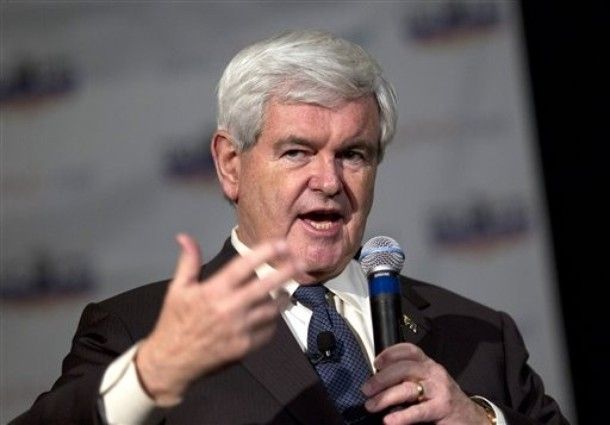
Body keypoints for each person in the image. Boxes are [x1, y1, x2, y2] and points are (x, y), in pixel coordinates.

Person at [11, 30, 568, 425]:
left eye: (354, 154)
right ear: (231, 164)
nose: (328, 180)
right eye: (298, 151)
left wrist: (477, 421)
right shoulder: (139, 333)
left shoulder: (479, 334)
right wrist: (151, 374)